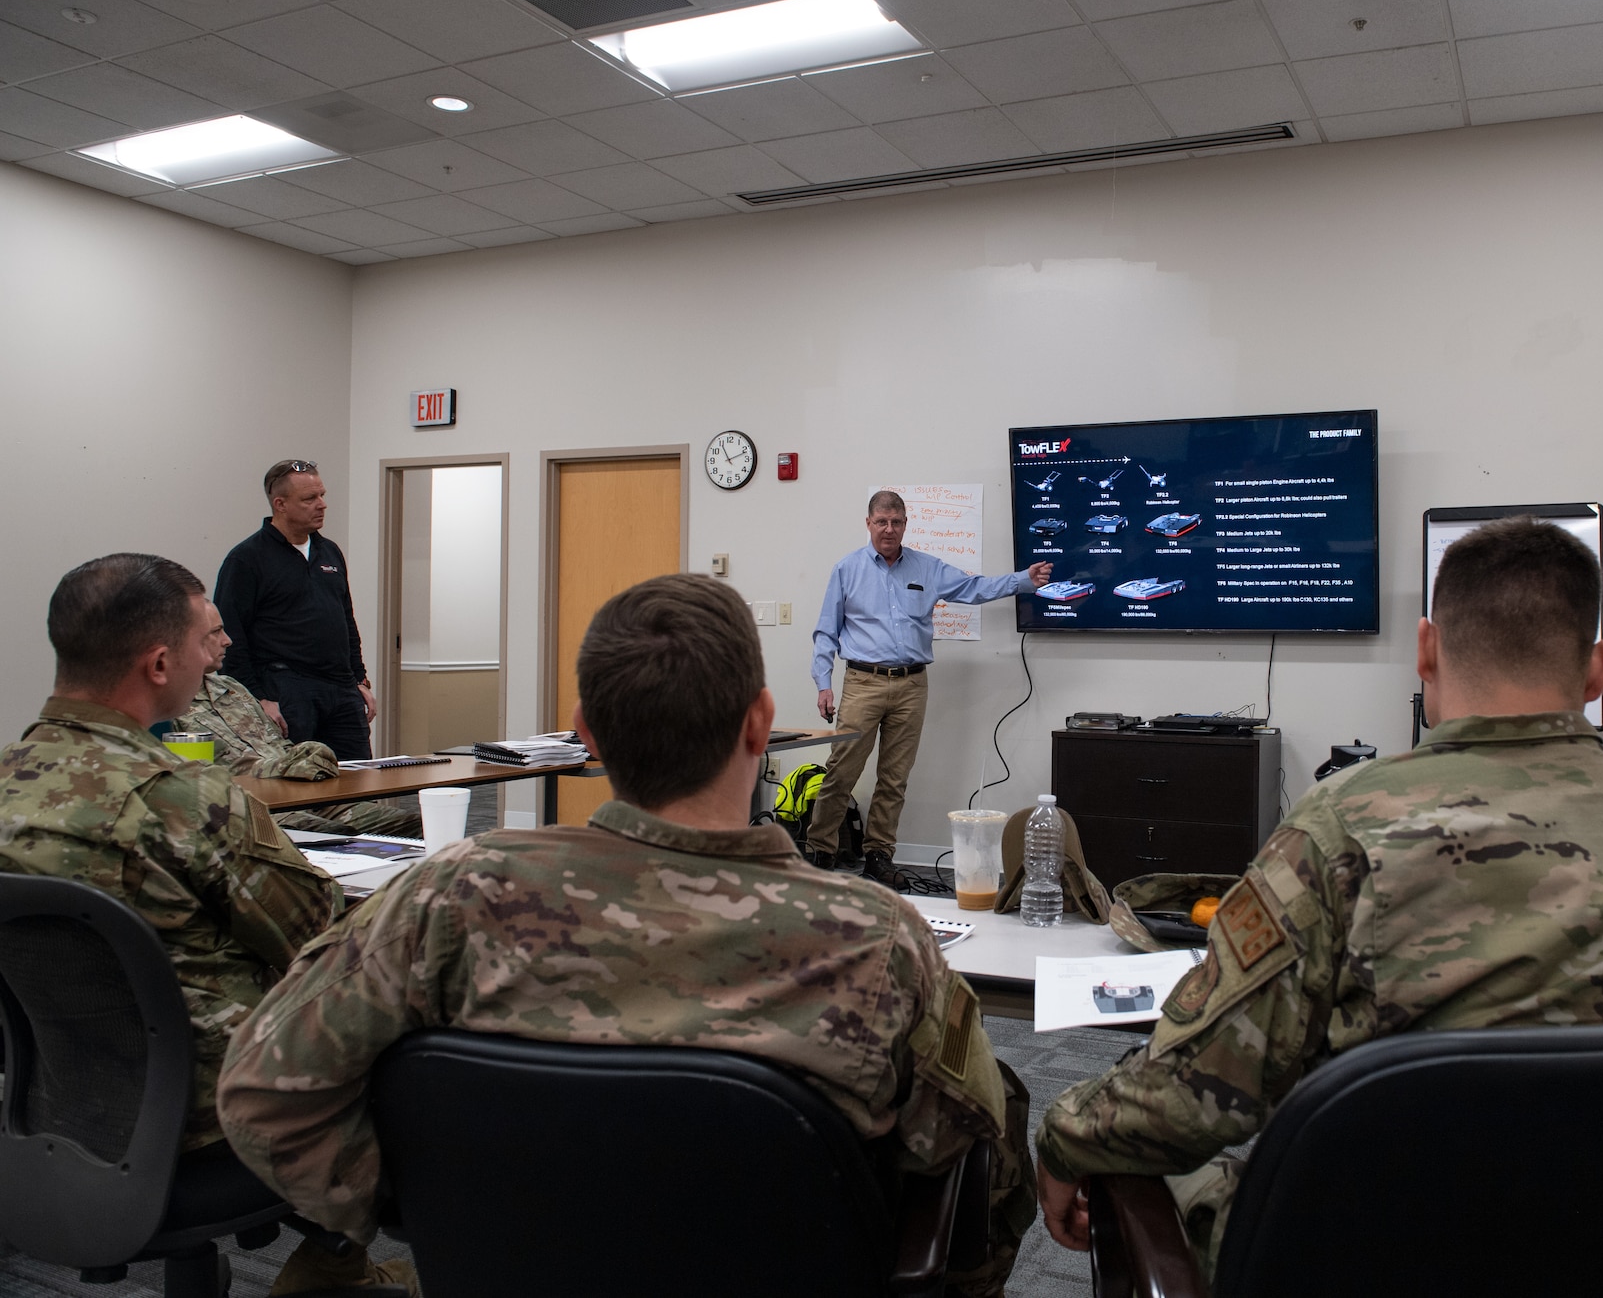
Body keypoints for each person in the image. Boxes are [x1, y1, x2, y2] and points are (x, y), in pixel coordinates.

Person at [219, 573, 1034, 1296]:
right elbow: (977, 1172)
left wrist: (425, 1207)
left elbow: (263, 1092)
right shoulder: (876, 939)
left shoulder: (449, 895)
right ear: (761, 723)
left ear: (587, 733)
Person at [1033, 518, 1603, 1275]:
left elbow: (1197, 1088)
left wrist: (1066, 1135)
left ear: (1426, 648)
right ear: (1599, 670)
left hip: (1391, 1252)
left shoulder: (1342, 827)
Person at [0, 555, 340, 1152]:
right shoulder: (186, 798)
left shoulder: (7, 780)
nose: (215, 655)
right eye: (200, 643)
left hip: (52, 1097)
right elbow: (320, 942)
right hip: (215, 1105)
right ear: (159, 664)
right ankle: (343, 1236)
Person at [809, 490, 1053, 887]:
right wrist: (823, 684)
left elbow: (974, 589)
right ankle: (820, 850)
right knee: (842, 771)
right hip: (862, 683)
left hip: (911, 685)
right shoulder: (846, 569)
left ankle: (878, 856)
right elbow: (825, 632)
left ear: (906, 524)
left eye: (897, 522)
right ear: (868, 523)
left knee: (894, 778)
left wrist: (1023, 581)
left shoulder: (927, 567)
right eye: (881, 522)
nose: (889, 529)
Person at [178, 601, 421, 839]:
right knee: (337, 837)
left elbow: (281, 748)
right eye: (216, 631)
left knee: (418, 825)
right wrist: (289, 767)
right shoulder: (173, 709)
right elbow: (200, 786)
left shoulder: (232, 689)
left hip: (311, 799)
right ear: (184, 640)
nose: (228, 640)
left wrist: (307, 760)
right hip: (258, 811)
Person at [215, 459, 375, 760]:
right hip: (287, 689)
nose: (322, 505)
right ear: (280, 504)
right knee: (299, 784)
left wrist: (359, 680)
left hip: (340, 689)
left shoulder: (329, 552)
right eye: (309, 499)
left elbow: (345, 621)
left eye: (322, 495)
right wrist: (256, 698)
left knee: (358, 782)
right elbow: (230, 635)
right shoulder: (247, 559)